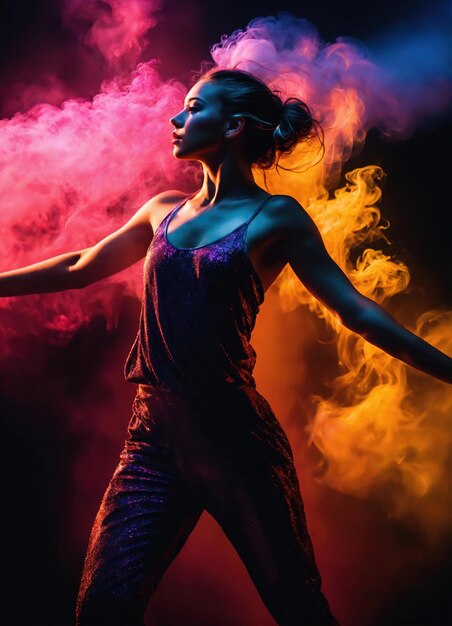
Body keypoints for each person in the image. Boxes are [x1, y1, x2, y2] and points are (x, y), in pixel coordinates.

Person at [1, 68, 450, 626]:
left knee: (298, 607)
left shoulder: (277, 217)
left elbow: (355, 312)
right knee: (102, 609)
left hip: (236, 439)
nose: (176, 119)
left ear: (235, 125)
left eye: (193, 108)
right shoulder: (162, 209)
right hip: (153, 441)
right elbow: (78, 266)